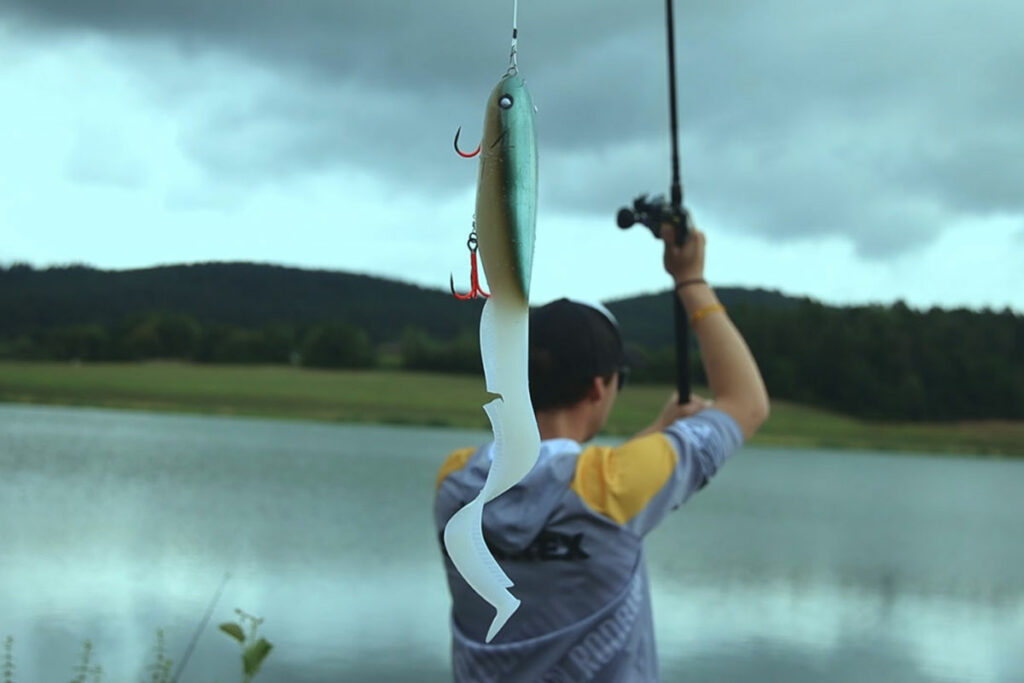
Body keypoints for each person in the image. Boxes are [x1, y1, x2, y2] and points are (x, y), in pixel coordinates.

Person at [433, 223, 770, 682]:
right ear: (598, 388)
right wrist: (691, 280)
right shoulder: (615, 485)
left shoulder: (455, 483)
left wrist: (656, 432)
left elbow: (567, 490)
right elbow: (746, 404)